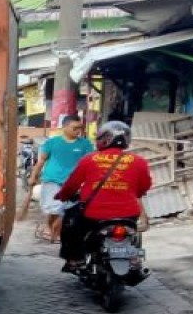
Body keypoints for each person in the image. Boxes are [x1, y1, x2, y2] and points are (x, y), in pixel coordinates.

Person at [56, 121, 153, 271]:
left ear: (103, 139)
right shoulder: (139, 161)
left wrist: (63, 195)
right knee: (132, 234)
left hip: (94, 214)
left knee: (70, 223)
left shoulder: (89, 159)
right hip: (128, 214)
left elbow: (72, 184)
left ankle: (76, 260)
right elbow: (145, 186)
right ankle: (133, 258)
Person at [30, 115, 93, 242]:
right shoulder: (52, 142)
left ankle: (57, 233)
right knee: (53, 210)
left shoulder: (85, 144)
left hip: (74, 183)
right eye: (75, 128)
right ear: (64, 127)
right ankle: (50, 229)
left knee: (63, 210)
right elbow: (41, 161)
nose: (78, 131)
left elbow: (90, 163)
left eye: (80, 128)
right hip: (52, 180)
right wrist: (33, 176)